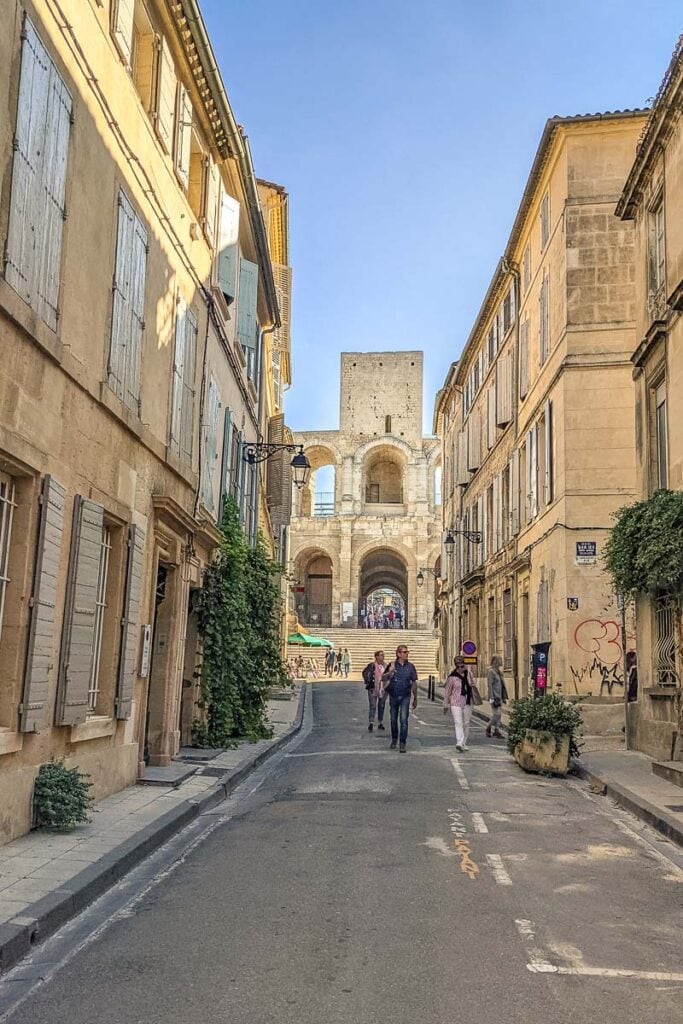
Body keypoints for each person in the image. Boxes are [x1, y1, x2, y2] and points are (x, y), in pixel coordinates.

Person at [383, 644, 418, 752]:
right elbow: (383, 678)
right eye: (404, 652)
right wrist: (390, 672)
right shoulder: (392, 665)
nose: (406, 654)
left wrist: (415, 697)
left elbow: (414, 682)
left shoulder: (411, 667)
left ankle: (402, 742)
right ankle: (394, 739)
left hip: (405, 696)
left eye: (407, 652)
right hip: (393, 695)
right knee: (393, 720)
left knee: (403, 719)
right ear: (398, 654)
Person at [443, 655, 474, 752]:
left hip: (467, 702)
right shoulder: (452, 677)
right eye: (458, 666)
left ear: (465, 665)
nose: (460, 668)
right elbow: (447, 691)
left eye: (462, 666)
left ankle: (464, 742)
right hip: (455, 702)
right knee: (458, 723)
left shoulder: (469, 674)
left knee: (466, 723)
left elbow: (472, 685)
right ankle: (459, 742)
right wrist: (445, 704)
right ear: (455, 666)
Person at [362, 650, 387, 732]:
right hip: (373, 688)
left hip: (383, 689)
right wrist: (367, 680)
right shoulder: (371, 665)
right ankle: (371, 722)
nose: (383, 656)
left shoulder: (386, 666)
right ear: (376, 656)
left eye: (383, 655)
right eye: (381, 655)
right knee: (372, 705)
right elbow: (365, 673)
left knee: (381, 705)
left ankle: (380, 722)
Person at [486, 654, 508, 738]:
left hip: (500, 696)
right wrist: (491, 697)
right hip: (494, 697)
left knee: (499, 715)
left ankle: (496, 730)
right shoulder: (491, 672)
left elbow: (502, 685)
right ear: (495, 661)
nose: (501, 661)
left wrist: (504, 697)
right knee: (496, 714)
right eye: (500, 659)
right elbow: (490, 685)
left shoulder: (499, 672)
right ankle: (488, 727)